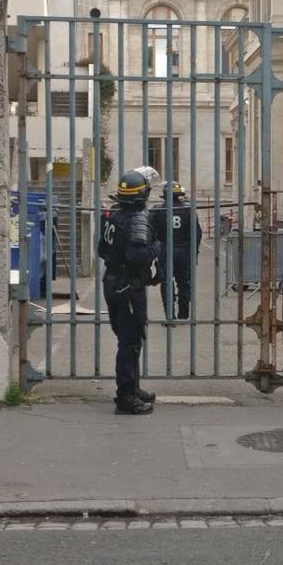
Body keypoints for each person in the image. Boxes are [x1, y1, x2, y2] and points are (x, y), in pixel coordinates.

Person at [98, 169, 159, 415]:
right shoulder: (136, 219)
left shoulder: (114, 215)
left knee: (128, 340)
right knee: (130, 342)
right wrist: (157, 247)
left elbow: (101, 249)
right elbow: (138, 256)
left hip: (112, 282)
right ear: (142, 195)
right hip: (128, 288)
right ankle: (125, 397)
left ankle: (133, 387)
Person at [151, 182, 202, 320]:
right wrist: (194, 252)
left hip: (164, 249)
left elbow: (150, 232)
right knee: (184, 281)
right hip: (184, 249)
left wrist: (152, 251)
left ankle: (170, 315)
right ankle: (183, 313)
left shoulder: (157, 210)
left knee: (167, 282)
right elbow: (196, 233)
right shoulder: (188, 209)